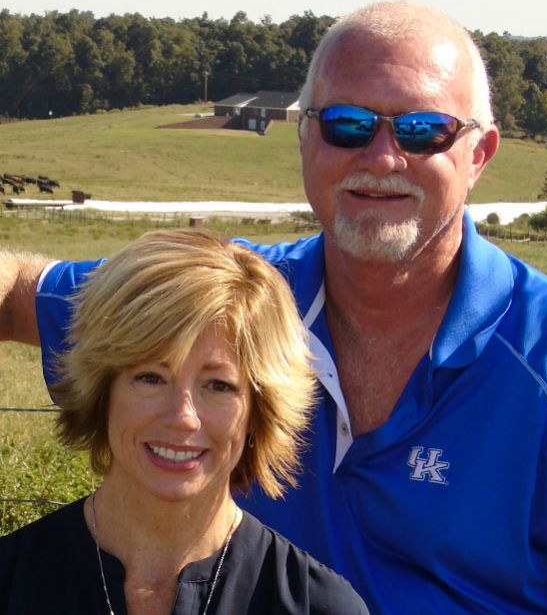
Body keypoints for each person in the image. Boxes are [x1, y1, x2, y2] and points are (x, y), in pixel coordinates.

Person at [0, 0, 547, 615]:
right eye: (347, 124)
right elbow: (16, 293)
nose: (382, 157)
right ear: (305, 133)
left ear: (479, 155)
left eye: (422, 130)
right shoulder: (226, 304)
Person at [0, 229, 369, 615]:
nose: (182, 417)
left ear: (258, 413)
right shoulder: (11, 581)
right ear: (102, 390)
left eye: (219, 386)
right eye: (150, 378)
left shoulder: (320, 606)